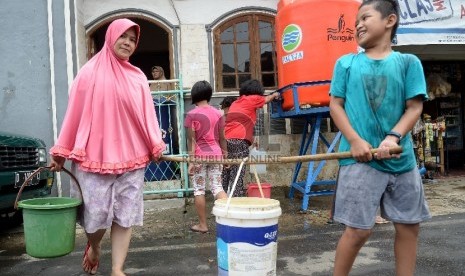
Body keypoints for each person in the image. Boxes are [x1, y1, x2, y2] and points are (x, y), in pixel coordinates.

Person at [49, 18, 165, 276]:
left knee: (125, 215)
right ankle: (94, 245)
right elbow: (74, 114)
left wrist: (155, 145)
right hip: (93, 156)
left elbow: (148, 115)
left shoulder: (137, 77)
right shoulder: (88, 73)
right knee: (96, 215)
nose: (128, 43)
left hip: (133, 156)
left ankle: (117, 269)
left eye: (133, 39)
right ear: (111, 37)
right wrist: (60, 153)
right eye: (123, 36)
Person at [329, 1, 431, 275]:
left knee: (409, 226)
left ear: (389, 20)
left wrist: (392, 137)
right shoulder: (346, 63)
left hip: (402, 159)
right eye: (355, 22)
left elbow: (414, 107)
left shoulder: (408, 63)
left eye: (365, 17)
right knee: (359, 231)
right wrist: (354, 141)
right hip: (360, 161)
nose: (358, 25)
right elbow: (335, 105)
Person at [222, 79, 279, 196]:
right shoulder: (252, 98)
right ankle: (235, 200)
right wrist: (275, 94)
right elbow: (267, 99)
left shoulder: (237, 103)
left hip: (227, 141)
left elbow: (238, 127)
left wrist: (251, 141)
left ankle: (221, 199)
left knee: (227, 171)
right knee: (237, 172)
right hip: (239, 142)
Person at [184, 80, 228, 233]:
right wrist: (225, 156)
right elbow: (222, 138)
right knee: (217, 187)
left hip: (200, 156)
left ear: (194, 95)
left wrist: (191, 161)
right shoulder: (218, 113)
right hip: (216, 154)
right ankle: (228, 221)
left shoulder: (191, 114)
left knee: (199, 190)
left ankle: (203, 225)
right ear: (209, 95)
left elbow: (191, 140)